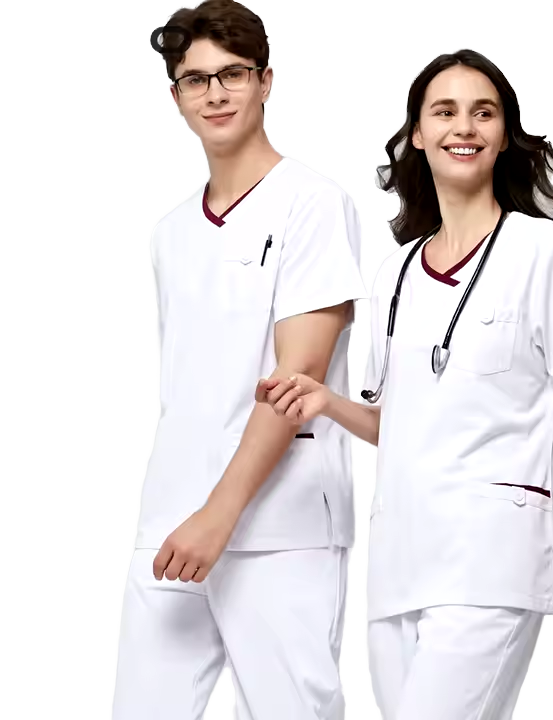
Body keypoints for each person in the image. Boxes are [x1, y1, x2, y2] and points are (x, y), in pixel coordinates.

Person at [257, 49, 553, 720]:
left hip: (492, 559)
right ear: (418, 135)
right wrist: (327, 402)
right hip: (398, 568)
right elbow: (397, 423)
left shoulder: (540, 251)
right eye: (445, 112)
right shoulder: (395, 274)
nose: (465, 126)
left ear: (505, 135)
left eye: (483, 113)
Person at [112, 2, 366, 718]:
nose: (215, 93)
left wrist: (219, 516)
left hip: (281, 529)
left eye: (233, 74)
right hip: (169, 523)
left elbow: (297, 380)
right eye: (196, 79)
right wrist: (187, 516)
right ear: (176, 96)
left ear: (265, 82)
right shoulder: (170, 232)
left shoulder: (312, 204)